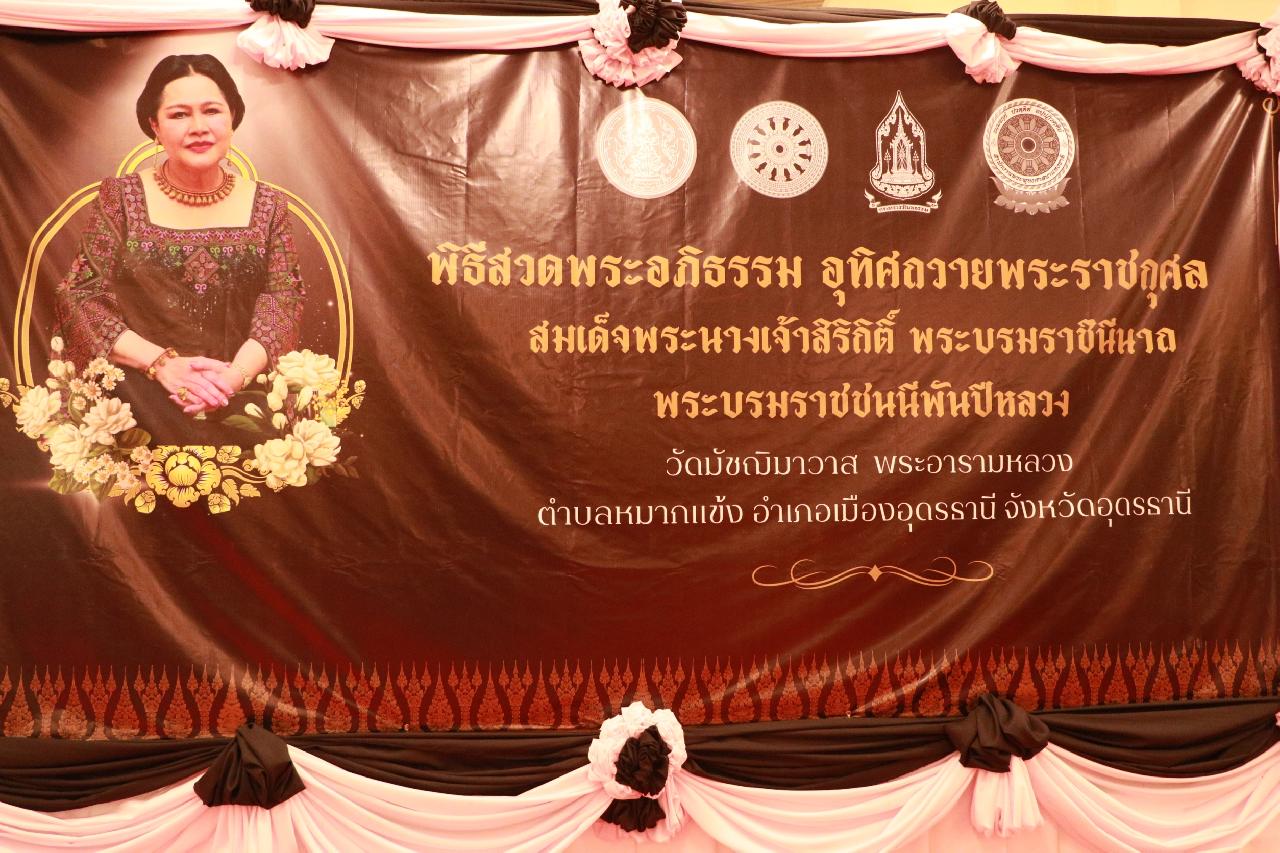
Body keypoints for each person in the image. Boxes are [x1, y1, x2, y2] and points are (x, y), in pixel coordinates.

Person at [54, 54, 304, 434]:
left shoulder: (269, 206)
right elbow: (80, 297)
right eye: (179, 115)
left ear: (233, 117)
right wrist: (161, 364)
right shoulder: (119, 198)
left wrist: (231, 378)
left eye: (212, 110)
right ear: (154, 126)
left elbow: (283, 302)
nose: (198, 128)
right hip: (135, 411)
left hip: (242, 405)